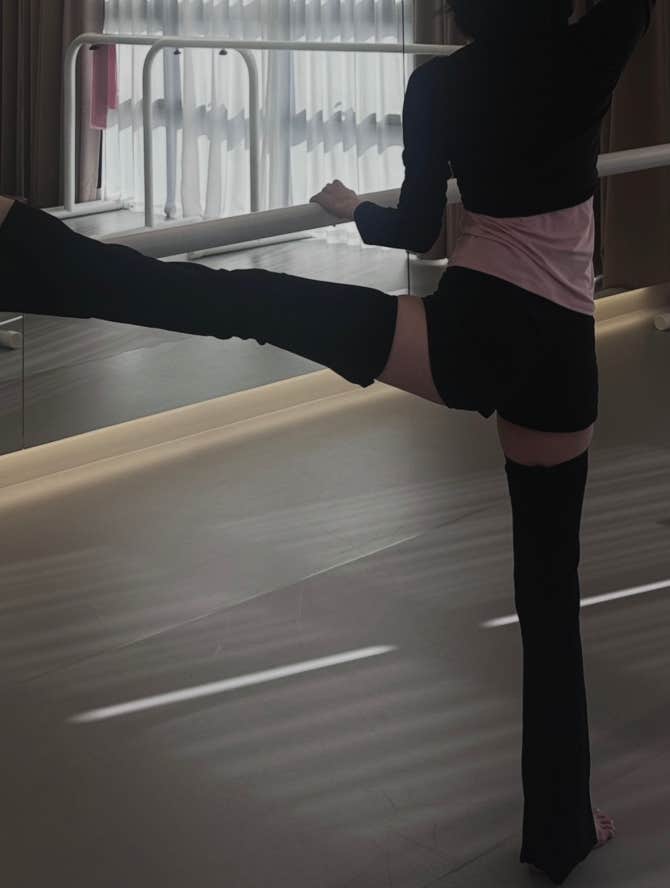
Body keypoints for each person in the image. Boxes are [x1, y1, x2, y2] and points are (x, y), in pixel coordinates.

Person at [0, 0, 657, 882]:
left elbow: (417, 229)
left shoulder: (438, 86)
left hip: (469, 337)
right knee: (549, 593)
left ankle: (20, 244)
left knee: (244, 302)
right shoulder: (590, 52)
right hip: (563, 356)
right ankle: (562, 828)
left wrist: (352, 208)